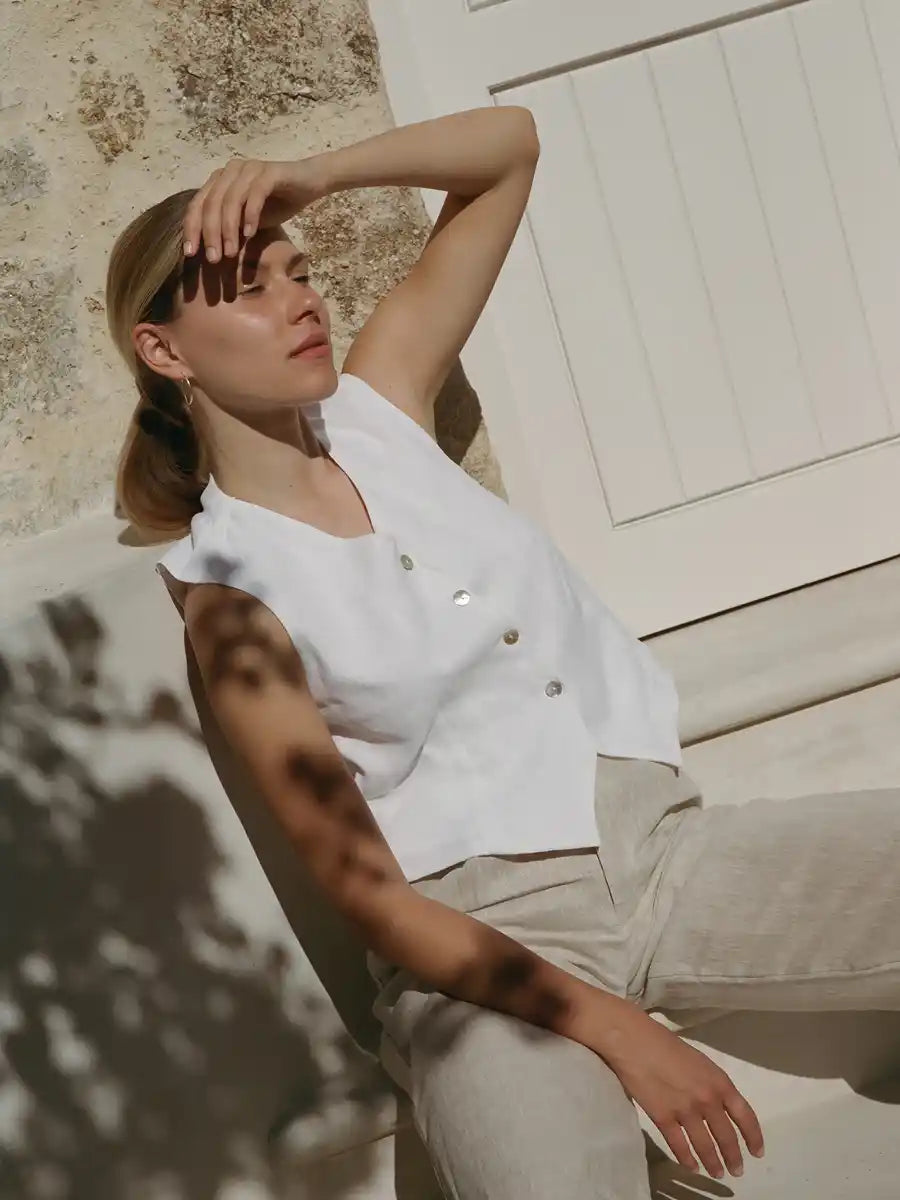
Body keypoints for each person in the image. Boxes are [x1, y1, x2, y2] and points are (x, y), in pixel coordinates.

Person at [104, 106, 900, 1199]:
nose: (300, 300)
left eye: (302, 273)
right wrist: (618, 1030)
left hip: (658, 851)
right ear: (164, 352)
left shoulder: (381, 406)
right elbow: (374, 900)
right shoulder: (232, 598)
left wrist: (312, 175)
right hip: (478, 955)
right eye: (250, 287)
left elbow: (510, 149)